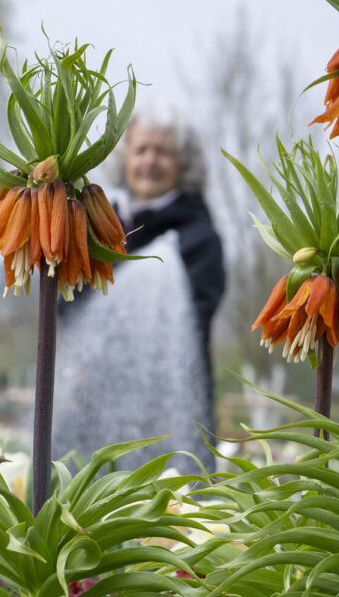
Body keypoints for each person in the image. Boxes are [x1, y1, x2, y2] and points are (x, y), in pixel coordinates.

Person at [52, 102, 226, 472]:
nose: (150, 161)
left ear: (182, 163)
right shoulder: (102, 221)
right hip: (93, 399)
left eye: (162, 151)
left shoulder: (198, 237)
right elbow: (70, 301)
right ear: (125, 158)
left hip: (167, 406)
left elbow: (193, 316)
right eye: (141, 149)